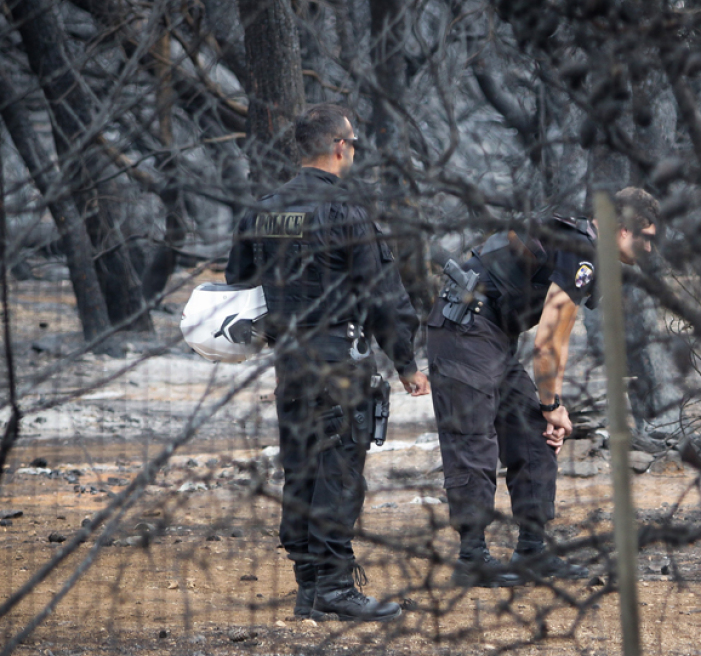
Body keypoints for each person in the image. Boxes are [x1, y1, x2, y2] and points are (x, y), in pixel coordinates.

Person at [225, 104, 430, 621]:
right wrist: (406, 363)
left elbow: (237, 278)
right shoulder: (347, 211)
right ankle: (335, 588)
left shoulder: (264, 209)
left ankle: (309, 587)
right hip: (340, 357)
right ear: (340, 146)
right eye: (354, 144)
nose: (354, 152)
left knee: (301, 467)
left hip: (289, 360)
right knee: (339, 470)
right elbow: (384, 296)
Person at [427, 188, 658, 587]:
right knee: (473, 438)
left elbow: (557, 338)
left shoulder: (582, 247)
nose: (651, 249)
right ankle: (473, 557)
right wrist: (552, 403)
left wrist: (547, 408)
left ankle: (531, 550)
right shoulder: (582, 250)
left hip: (491, 334)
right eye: (647, 238)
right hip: (464, 329)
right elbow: (549, 341)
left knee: (533, 430)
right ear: (622, 230)